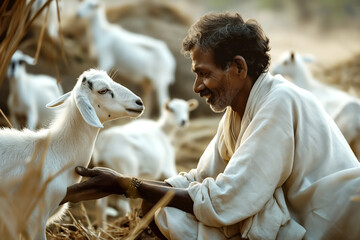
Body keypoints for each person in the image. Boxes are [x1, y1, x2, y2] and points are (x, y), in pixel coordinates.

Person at [62, 12, 360, 239]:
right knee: (163, 208)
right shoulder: (239, 111)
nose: (196, 87)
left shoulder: (278, 103)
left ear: (239, 68)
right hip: (291, 215)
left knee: (170, 214)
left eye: (203, 73)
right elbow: (202, 176)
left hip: (323, 223)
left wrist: (126, 185)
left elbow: (226, 199)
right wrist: (134, 187)